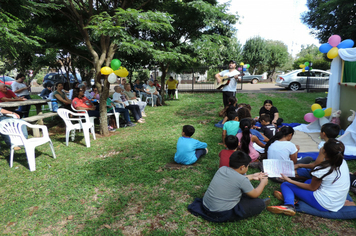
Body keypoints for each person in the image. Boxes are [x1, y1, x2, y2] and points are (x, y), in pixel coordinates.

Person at [267, 139, 350, 216]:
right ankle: (292, 197)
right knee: (308, 181)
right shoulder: (343, 162)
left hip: (324, 204)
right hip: (338, 202)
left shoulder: (321, 169)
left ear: (324, 151)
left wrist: (289, 180)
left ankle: (289, 205)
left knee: (286, 185)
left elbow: (312, 188)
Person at [194, 151, 269, 222]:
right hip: (219, 213)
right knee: (258, 203)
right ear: (242, 167)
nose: (247, 168)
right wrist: (263, 182)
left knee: (243, 192)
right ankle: (262, 204)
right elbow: (255, 194)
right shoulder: (242, 180)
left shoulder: (222, 169)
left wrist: (252, 176)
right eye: (247, 166)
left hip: (205, 206)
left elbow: (234, 180)